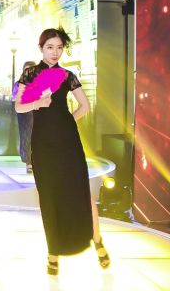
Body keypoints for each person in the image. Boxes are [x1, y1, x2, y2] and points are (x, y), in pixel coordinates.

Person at [14, 28, 110, 276]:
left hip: (68, 143)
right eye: (50, 47)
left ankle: (97, 239)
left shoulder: (67, 75)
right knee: (49, 197)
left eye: (59, 47)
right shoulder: (30, 74)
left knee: (81, 193)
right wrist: (39, 103)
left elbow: (84, 106)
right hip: (43, 144)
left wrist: (67, 122)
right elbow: (19, 106)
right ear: (41, 48)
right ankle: (53, 253)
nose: (55, 52)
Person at [14, 61, 36, 173]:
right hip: (24, 113)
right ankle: (28, 162)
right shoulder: (18, 84)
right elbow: (14, 97)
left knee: (38, 136)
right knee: (26, 136)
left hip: (38, 112)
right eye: (26, 69)